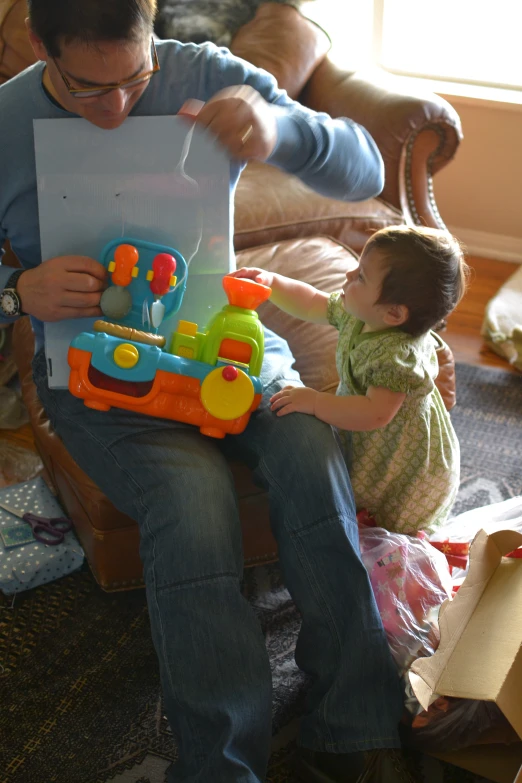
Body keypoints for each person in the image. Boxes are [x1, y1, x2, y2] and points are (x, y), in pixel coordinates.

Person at [0, 2, 413, 781]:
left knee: (306, 444)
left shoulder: (205, 72)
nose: (118, 110)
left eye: (135, 78)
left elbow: (364, 167)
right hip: (103, 376)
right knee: (192, 499)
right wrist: (18, 290)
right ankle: (221, 766)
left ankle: (355, 727)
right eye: (88, 88)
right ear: (36, 43)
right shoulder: (5, 120)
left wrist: (279, 128)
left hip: (227, 351)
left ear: (151, 24)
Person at [233, 226, 468, 534]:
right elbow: (311, 302)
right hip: (371, 441)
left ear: (395, 314)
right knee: (359, 505)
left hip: (405, 466)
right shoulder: (359, 313)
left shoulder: (396, 357)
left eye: (361, 277)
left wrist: (316, 401)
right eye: (357, 265)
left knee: (390, 532)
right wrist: (272, 283)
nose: (347, 274)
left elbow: (375, 412)